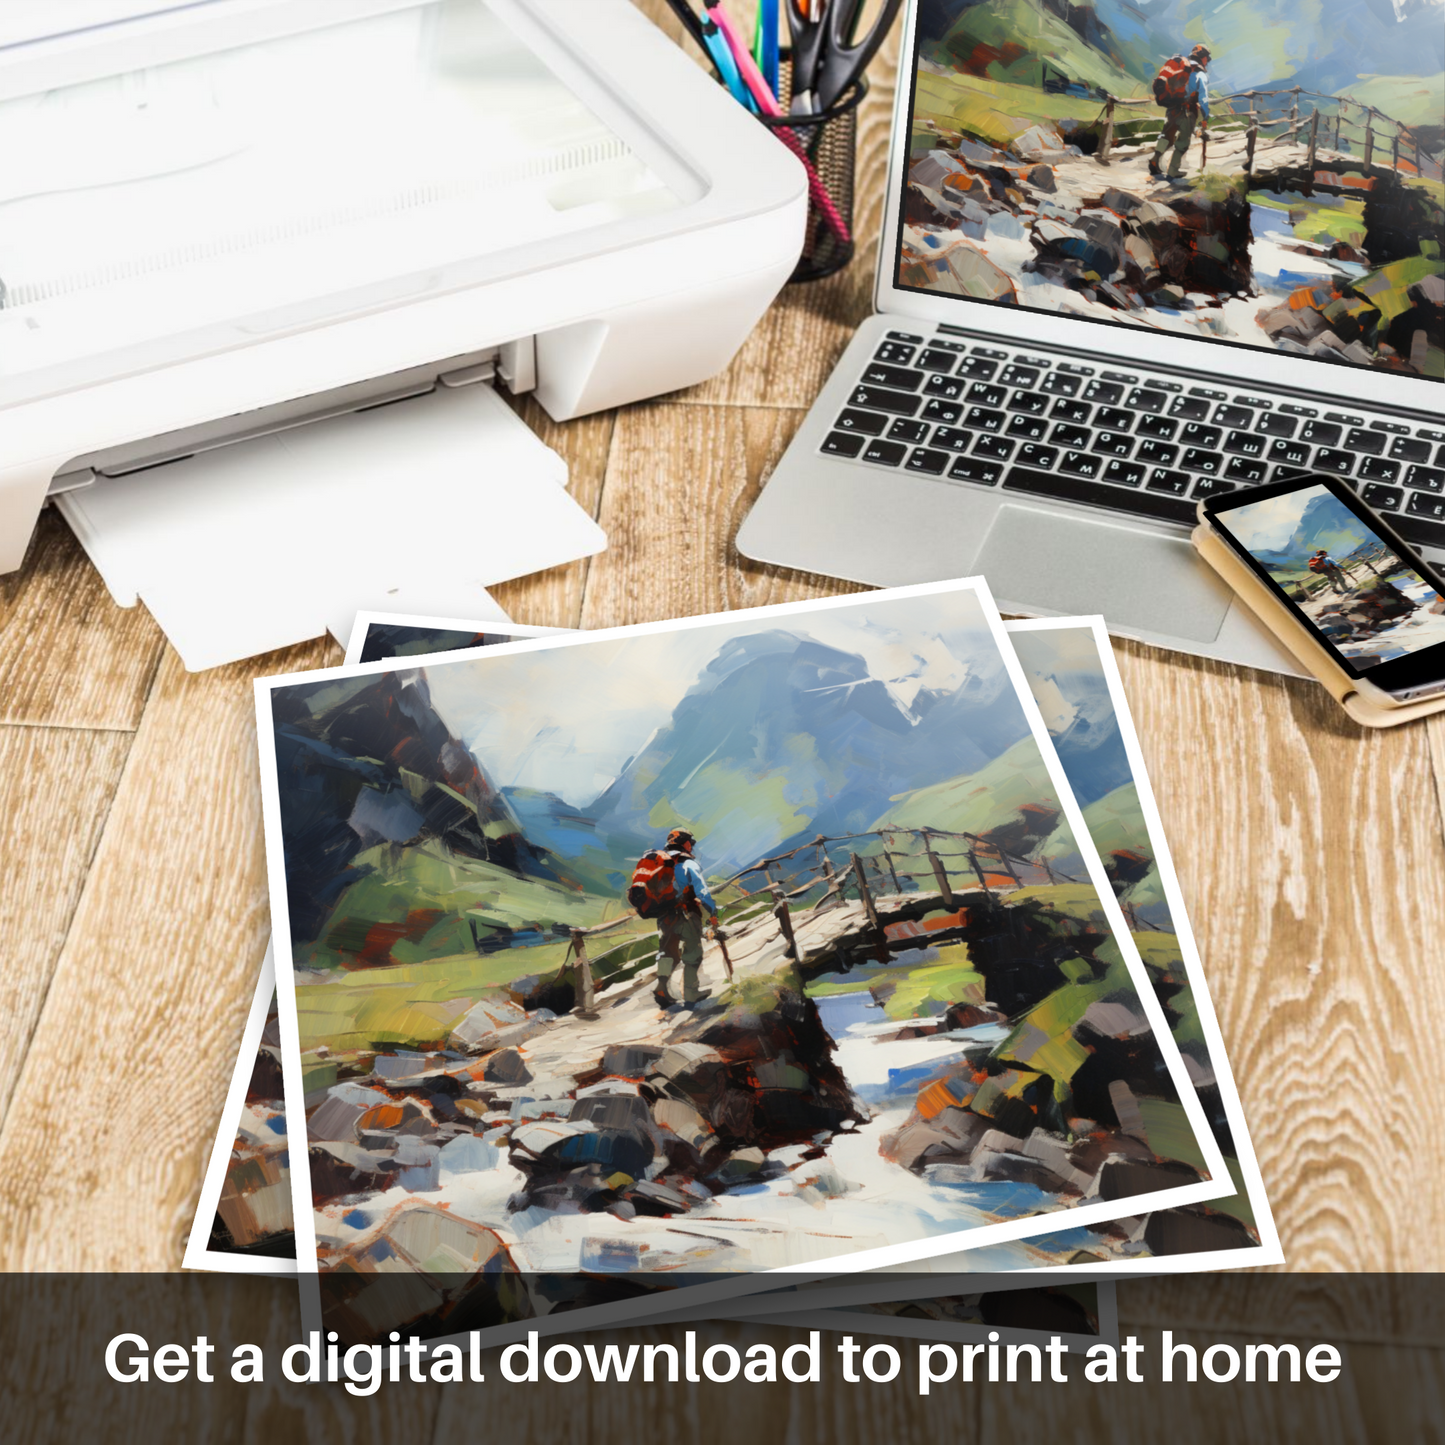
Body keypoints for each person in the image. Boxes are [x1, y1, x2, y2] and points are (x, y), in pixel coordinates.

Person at [650, 828, 720, 1009]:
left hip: (664, 916)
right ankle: (691, 993)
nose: (692, 846)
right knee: (692, 954)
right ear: (686, 843)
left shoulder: (659, 865)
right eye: (690, 843)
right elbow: (702, 891)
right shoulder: (688, 863)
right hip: (686, 914)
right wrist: (712, 910)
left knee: (667, 954)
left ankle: (661, 989)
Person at [1149, 44, 1211, 180]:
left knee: (1166, 136)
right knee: (1182, 142)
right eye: (1207, 58)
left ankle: (1155, 160)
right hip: (1188, 111)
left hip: (1173, 106)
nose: (1208, 61)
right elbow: (1203, 98)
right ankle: (1173, 170)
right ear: (1203, 58)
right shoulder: (1200, 74)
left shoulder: (1182, 67)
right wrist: (1205, 115)